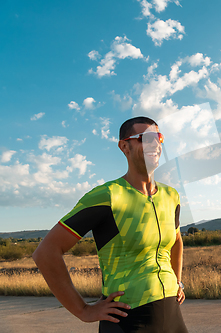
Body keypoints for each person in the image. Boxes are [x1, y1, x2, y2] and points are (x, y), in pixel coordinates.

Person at [32, 116, 189, 333]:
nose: (154, 144)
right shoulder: (107, 196)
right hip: (127, 319)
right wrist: (83, 310)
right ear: (124, 146)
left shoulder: (171, 196)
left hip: (172, 315)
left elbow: (176, 240)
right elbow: (46, 252)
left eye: (158, 138)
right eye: (145, 138)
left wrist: (177, 282)